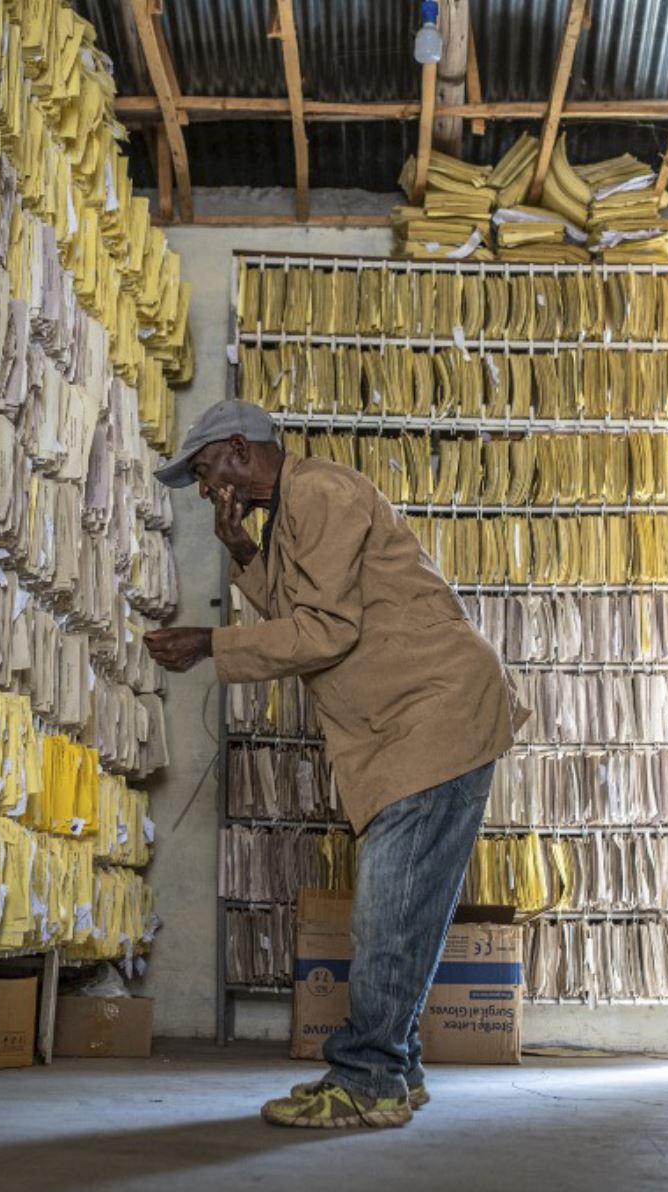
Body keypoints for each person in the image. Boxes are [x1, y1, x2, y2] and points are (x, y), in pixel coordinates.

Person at [144, 399, 526, 1131]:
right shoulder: (290, 509)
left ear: (238, 449)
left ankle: (367, 1079)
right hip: (413, 719)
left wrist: (211, 646)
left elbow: (321, 632)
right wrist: (240, 545)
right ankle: (396, 1066)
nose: (202, 488)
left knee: (388, 911)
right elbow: (298, 605)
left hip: (433, 711)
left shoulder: (321, 493)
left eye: (204, 470)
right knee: (405, 909)